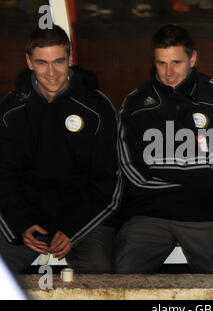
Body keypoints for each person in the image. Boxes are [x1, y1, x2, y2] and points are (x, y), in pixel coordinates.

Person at [116, 24, 213, 274]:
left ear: (193, 58)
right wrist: (192, 174)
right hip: (148, 214)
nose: (169, 72)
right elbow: (132, 172)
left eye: (176, 63)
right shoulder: (135, 102)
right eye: (161, 63)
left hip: (206, 213)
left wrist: (156, 165)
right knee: (123, 280)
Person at [0, 25, 122, 274]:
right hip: (29, 222)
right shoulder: (11, 111)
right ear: (29, 62)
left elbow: (109, 183)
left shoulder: (97, 108)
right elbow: (4, 177)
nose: (52, 72)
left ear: (70, 59)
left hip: (85, 222)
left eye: (59, 61)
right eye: (42, 63)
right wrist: (21, 225)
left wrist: (73, 230)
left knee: (99, 272)